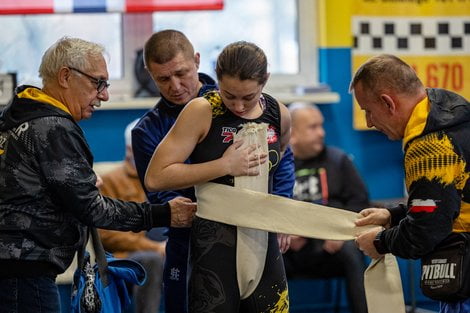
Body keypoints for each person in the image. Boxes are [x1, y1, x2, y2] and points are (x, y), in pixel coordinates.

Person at [0, 37, 196, 313]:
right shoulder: (53, 127)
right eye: (98, 83)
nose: (104, 95)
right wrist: (163, 214)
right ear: (66, 76)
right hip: (24, 270)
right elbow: (93, 209)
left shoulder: (20, 117)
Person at [132, 30, 295, 313]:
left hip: (259, 235)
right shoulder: (193, 113)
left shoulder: (275, 112)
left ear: (197, 62)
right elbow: (157, 183)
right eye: (163, 78)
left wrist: (280, 210)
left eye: (181, 73)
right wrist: (224, 168)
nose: (175, 85)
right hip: (199, 238)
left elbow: (281, 161)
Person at [351, 54, 470, 313]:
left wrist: (380, 242)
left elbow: (426, 232)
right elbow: (449, 202)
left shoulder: (429, 147)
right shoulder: (453, 118)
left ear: (387, 103)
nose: (370, 122)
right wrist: (392, 214)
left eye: (368, 111)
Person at [283, 102, 369, 313]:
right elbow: (263, 206)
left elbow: (360, 202)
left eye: (321, 126)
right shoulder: (278, 165)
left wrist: (342, 232)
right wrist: (280, 232)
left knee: (353, 252)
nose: (321, 133)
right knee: (261, 254)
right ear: (292, 133)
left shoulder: (338, 160)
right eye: (313, 127)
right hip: (289, 248)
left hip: (330, 247)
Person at [98, 119, 165, 313]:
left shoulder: (164, 180)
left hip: (164, 246)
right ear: (129, 150)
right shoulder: (111, 181)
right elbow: (105, 234)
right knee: (151, 259)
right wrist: (156, 248)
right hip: (128, 254)